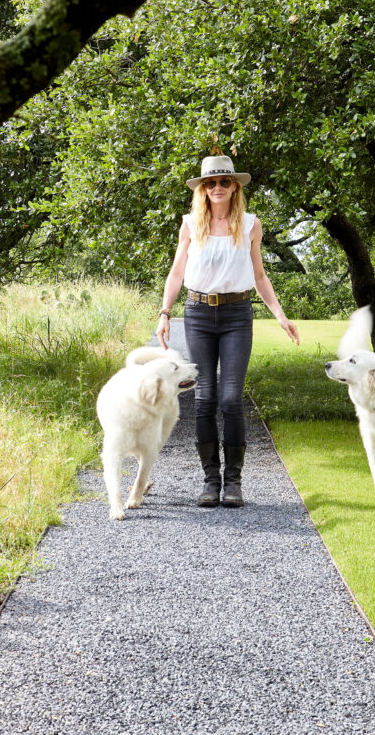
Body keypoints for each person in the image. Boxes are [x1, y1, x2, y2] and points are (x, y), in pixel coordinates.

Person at [155, 155, 300, 509]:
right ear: (202, 189)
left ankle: (233, 482)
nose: (217, 188)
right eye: (210, 183)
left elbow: (260, 275)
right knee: (204, 399)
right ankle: (211, 481)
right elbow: (176, 273)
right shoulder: (190, 224)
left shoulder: (251, 225)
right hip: (198, 313)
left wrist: (280, 314)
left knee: (231, 399)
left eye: (223, 182)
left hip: (237, 314)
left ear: (235, 186)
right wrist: (164, 313)